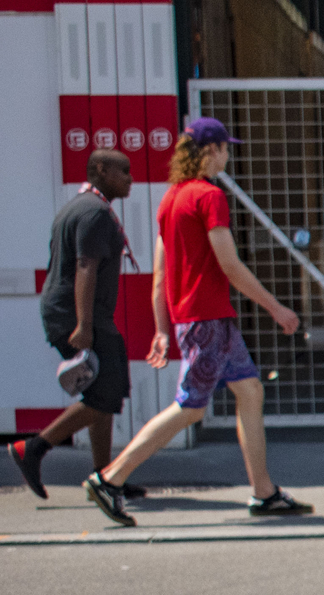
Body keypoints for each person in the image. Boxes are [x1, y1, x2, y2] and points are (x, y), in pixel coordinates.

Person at [83, 118, 308, 527]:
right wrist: (276, 308)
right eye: (225, 148)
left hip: (200, 321)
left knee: (251, 391)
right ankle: (109, 479)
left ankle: (264, 492)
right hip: (209, 322)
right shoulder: (209, 197)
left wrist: (162, 329)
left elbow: (160, 276)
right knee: (189, 408)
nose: (228, 154)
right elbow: (230, 264)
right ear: (210, 151)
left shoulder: (170, 199)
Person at [13, 148, 139, 499]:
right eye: (123, 171)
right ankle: (33, 448)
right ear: (101, 170)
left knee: (101, 394)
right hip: (80, 317)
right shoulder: (94, 212)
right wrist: (84, 326)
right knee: (108, 393)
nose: (131, 178)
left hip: (74, 313)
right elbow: (86, 267)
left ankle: (104, 477)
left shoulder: (80, 207)